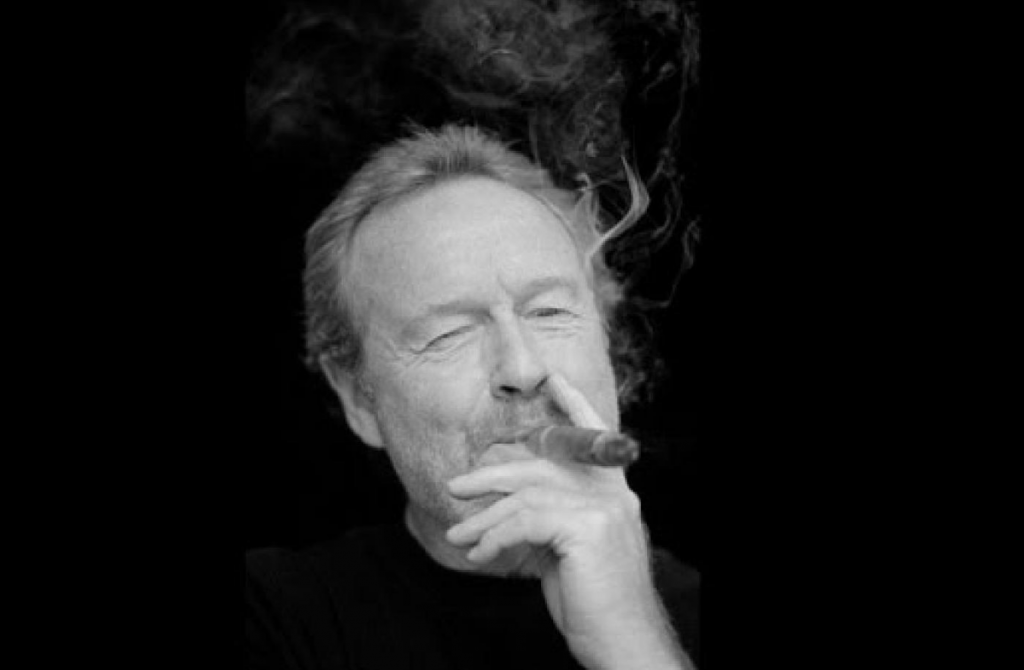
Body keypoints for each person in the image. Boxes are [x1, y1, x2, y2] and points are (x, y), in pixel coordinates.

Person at [245, 124, 699, 669]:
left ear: (607, 341)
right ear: (358, 400)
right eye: (448, 335)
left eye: (550, 312)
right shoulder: (273, 618)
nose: (522, 370)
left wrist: (631, 642)